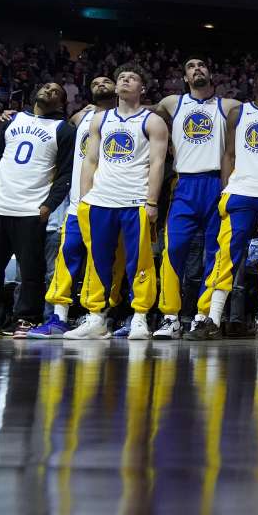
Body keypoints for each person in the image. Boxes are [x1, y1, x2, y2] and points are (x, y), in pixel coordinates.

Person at [187, 70, 258, 340]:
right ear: (252, 81)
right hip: (241, 191)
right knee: (226, 255)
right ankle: (213, 318)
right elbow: (229, 154)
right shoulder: (238, 113)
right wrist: (227, 186)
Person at [64, 64, 169, 340]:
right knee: (97, 261)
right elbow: (91, 160)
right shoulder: (100, 119)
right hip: (101, 201)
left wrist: (152, 201)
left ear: (142, 88)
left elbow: (158, 164)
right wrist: (86, 197)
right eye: (121, 77)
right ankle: (96, 318)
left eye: (132, 78)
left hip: (135, 200)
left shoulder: (153, 120)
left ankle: (139, 317)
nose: (124, 80)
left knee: (140, 262)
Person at [150, 57, 235, 339]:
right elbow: (142, 111)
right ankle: (170, 317)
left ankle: (203, 316)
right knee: (173, 250)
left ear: (211, 73)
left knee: (215, 253)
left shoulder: (228, 106)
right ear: (185, 77)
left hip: (216, 183)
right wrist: (98, 109)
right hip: (183, 184)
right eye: (191, 66)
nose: (197, 68)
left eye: (202, 65)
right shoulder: (172, 103)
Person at [28, 77, 116, 338]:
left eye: (107, 81)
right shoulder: (80, 118)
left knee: (101, 263)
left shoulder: (126, 117)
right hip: (76, 203)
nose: (100, 84)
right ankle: (58, 318)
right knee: (66, 258)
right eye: (96, 82)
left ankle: (97, 318)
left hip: (107, 202)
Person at [0, 83, 75, 337]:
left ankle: (25, 318)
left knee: (31, 271)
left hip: (31, 209)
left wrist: (50, 204)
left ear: (61, 103)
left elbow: (65, 173)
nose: (50, 91)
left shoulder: (63, 129)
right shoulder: (11, 120)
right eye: (47, 87)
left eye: (56, 91)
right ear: (34, 92)